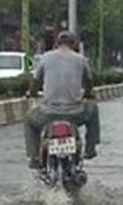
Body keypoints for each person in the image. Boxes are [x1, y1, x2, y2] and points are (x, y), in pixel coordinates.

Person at [24, 31, 100, 169]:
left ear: (57, 43)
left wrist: (31, 93)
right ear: (74, 44)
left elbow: (36, 81)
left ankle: (34, 156)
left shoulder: (46, 57)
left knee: (29, 120)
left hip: (48, 114)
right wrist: (89, 94)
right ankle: (90, 149)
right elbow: (89, 82)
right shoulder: (81, 59)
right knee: (93, 109)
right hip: (75, 114)